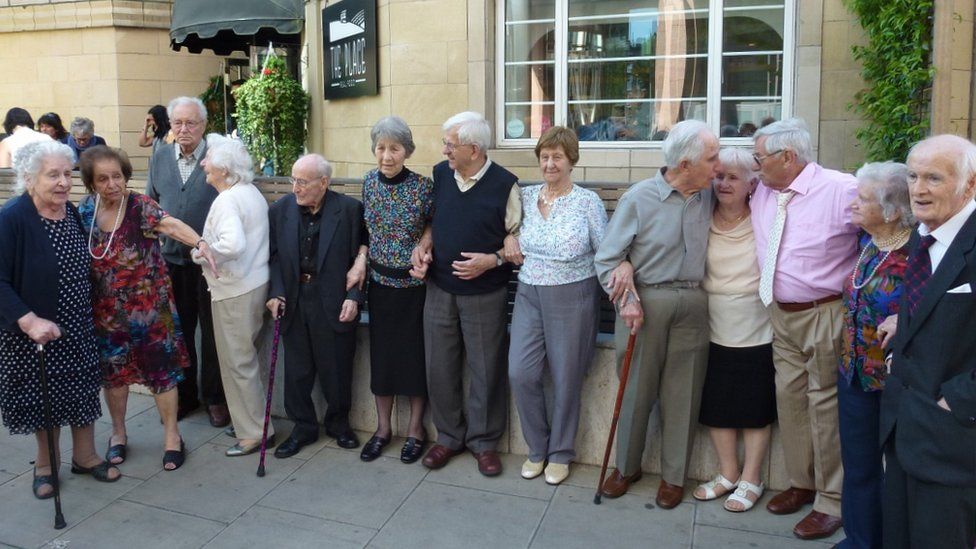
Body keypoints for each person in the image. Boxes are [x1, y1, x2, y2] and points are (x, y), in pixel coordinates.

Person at [593, 119, 717, 509]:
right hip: (643, 305)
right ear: (685, 164)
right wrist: (625, 291)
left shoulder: (709, 194)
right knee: (635, 391)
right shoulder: (639, 198)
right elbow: (608, 257)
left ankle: (673, 476)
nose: (718, 166)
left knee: (684, 392)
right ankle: (625, 468)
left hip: (693, 303)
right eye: (711, 159)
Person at [78, 145, 217, 471]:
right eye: (103, 178)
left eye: (117, 176)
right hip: (107, 314)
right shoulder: (86, 210)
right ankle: (118, 433)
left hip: (149, 312)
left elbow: (170, 225)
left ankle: (172, 436)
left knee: (162, 375)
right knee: (114, 377)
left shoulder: (140, 205)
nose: (112, 184)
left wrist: (200, 243)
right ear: (91, 183)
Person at [751, 117, 857, 539]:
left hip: (824, 313)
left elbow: (890, 226)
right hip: (780, 313)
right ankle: (801, 483)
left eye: (760, 159)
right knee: (789, 400)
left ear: (787, 157)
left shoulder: (839, 189)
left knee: (824, 405)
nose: (755, 167)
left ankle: (833, 501)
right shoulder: (764, 190)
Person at [0, 140, 121, 499]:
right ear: (28, 177)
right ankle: (45, 466)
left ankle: (85, 457)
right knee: (45, 400)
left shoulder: (68, 212)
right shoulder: (12, 219)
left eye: (67, 174)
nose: (64, 182)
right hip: (36, 330)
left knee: (82, 393)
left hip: (77, 323)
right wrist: (28, 320)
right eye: (53, 175)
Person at [878, 135, 976, 549]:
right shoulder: (925, 233)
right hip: (902, 423)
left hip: (951, 440)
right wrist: (908, 320)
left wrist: (958, 400)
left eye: (933, 178)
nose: (918, 189)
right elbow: (933, 297)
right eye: (913, 175)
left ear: (969, 184)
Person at [411, 111, 521, 477]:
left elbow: (520, 241)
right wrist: (425, 244)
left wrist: (492, 260)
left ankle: (484, 443)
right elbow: (434, 219)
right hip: (440, 286)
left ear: (473, 149)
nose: (444, 151)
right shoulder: (442, 175)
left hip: (485, 293)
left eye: (450, 145)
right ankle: (448, 437)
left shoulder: (506, 185)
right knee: (439, 366)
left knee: (486, 368)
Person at [504, 126, 606, 485]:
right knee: (521, 371)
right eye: (545, 157)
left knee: (566, 377)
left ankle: (560, 453)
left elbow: (605, 250)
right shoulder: (527, 197)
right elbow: (509, 230)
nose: (550, 163)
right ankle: (537, 447)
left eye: (557, 157)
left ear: (571, 161)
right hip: (529, 291)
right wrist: (507, 237)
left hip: (572, 293)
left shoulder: (586, 202)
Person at [835, 162, 913, 548]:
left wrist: (906, 318)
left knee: (900, 469)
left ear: (892, 210)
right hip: (855, 374)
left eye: (863, 198)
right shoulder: (867, 243)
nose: (853, 203)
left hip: (898, 380)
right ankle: (860, 540)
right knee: (859, 465)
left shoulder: (920, 253)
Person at [693, 148, 776, 513]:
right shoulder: (700, 216)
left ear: (751, 184)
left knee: (754, 405)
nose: (723, 183)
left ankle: (752, 477)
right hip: (710, 323)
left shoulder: (764, 217)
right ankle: (727, 474)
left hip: (756, 323)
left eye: (733, 177)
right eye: (719, 175)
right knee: (717, 403)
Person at [268, 154, 367, 459]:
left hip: (333, 299)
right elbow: (272, 257)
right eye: (292, 180)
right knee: (297, 370)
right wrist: (277, 292)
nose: (295, 187)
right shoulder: (280, 210)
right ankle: (303, 428)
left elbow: (361, 260)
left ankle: (339, 425)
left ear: (324, 183)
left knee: (336, 367)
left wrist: (354, 298)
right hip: (295, 298)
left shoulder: (349, 210)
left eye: (302, 181)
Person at [146, 96, 228, 427]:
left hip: (209, 264)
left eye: (191, 122)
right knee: (178, 332)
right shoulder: (160, 156)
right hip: (171, 261)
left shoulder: (218, 158)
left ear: (204, 126)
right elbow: (151, 204)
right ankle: (187, 394)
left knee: (211, 334)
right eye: (177, 123)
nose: (183, 129)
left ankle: (214, 398)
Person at [191, 134, 274, 457]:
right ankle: (248, 423)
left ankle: (254, 432)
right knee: (245, 360)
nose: (203, 163)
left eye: (208, 159)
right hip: (252, 285)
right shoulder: (248, 192)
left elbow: (232, 245)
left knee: (237, 363)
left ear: (224, 169)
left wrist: (202, 253)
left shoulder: (227, 200)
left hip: (235, 290)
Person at [358, 117, 433, 463]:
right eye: (381, 148)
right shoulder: (369, 183)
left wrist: (425, 243)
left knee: (415, 360)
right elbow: (365, 232)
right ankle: (383, 428)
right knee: (383, 360)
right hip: (380, 286)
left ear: (407, 151)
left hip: (414, 287)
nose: (386, 155)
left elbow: (434, 223)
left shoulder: (423, 186)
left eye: (394, 148)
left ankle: (417, 429)